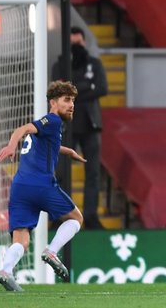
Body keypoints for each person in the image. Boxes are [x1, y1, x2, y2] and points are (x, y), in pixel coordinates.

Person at [0, 80, 87, 292]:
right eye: (66, 100)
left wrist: (68, 151)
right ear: (53, 102)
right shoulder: (52, 120)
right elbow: (24, 128)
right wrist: (11, 145)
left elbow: (44, 142)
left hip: (19, 186)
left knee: (21, 238)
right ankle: (52, 251)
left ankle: (6, 271)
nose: (71, 104)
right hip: (40, 184)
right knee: (76, 219)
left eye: (73, 100)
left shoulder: (49, 129)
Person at [50, 26, 108, 230]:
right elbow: (56, 92)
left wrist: (73, 92)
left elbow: (102, 88)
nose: (77, 47)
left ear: (84, 43)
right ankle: (61, 214)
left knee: (92, 172)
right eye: (73, 44)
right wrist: (86, 87)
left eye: (79, 43)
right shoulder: (60, 65)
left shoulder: (95, 63)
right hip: (67, 127)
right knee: (61, 172)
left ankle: (90, 216)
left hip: (91, 124)